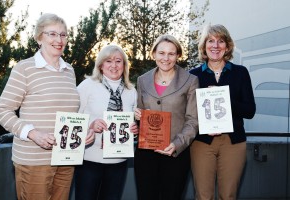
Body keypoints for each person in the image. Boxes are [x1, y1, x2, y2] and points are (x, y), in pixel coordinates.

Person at [0, 13, 95, 200]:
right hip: (34, 161)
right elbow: (2, 111)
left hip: (66, 158)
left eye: (63, 35)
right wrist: (33, 133)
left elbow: (69, 112)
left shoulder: (69, 71)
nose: (59, 40)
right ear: (39, 38)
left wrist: (83, 132)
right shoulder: (24, 68)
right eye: (52, 34)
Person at [189, 24, 256, 200]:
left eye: (220, 41)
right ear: (204, 46)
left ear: (227, 46)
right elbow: (187, 113)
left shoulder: (240, 73)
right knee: (203, 196)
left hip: (233, 142)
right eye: (210, 41)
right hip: (202, 141)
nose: (215, 46)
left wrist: (224, 100)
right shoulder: (193, 75)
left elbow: (250, 110)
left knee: (228, 195)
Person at [134, 34, 199, 200]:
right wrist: (137, 116)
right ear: (154, 54)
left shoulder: (190, 80)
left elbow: (193, 120)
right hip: (146, 154)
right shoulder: (142, 80)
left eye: (171, 53)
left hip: (175, 154)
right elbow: (141, 113)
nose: (166, 58)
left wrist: (176, 144)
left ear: (178, 55)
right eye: (161, 53)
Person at [75, 44, 138, 200]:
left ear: (124, 65)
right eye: (109, 61)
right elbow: (72, 117)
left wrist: (135, 130)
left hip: (119, 161)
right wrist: (91, 124)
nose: (114, 65)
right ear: (101, 65)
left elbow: (135, 121)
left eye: (118, 61)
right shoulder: (87, 86)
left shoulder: (132, 91)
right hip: (89, 158)